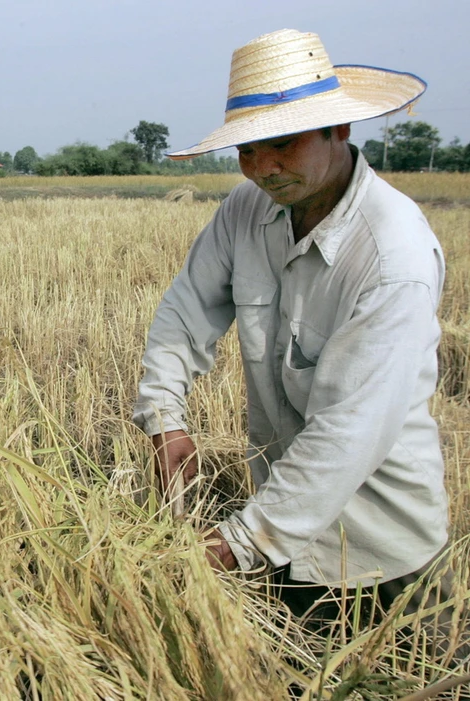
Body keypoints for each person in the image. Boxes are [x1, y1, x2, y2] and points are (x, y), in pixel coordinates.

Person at [132, 29, 459, 630]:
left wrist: (239, 542)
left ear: (340, 130)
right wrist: (164, 417)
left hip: (380, 555)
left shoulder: (392, 259)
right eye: (246, 151)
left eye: (280, 144)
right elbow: (186, 309)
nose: (262, 168)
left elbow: (348, 432)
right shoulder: (246, 209)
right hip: (285, 539)